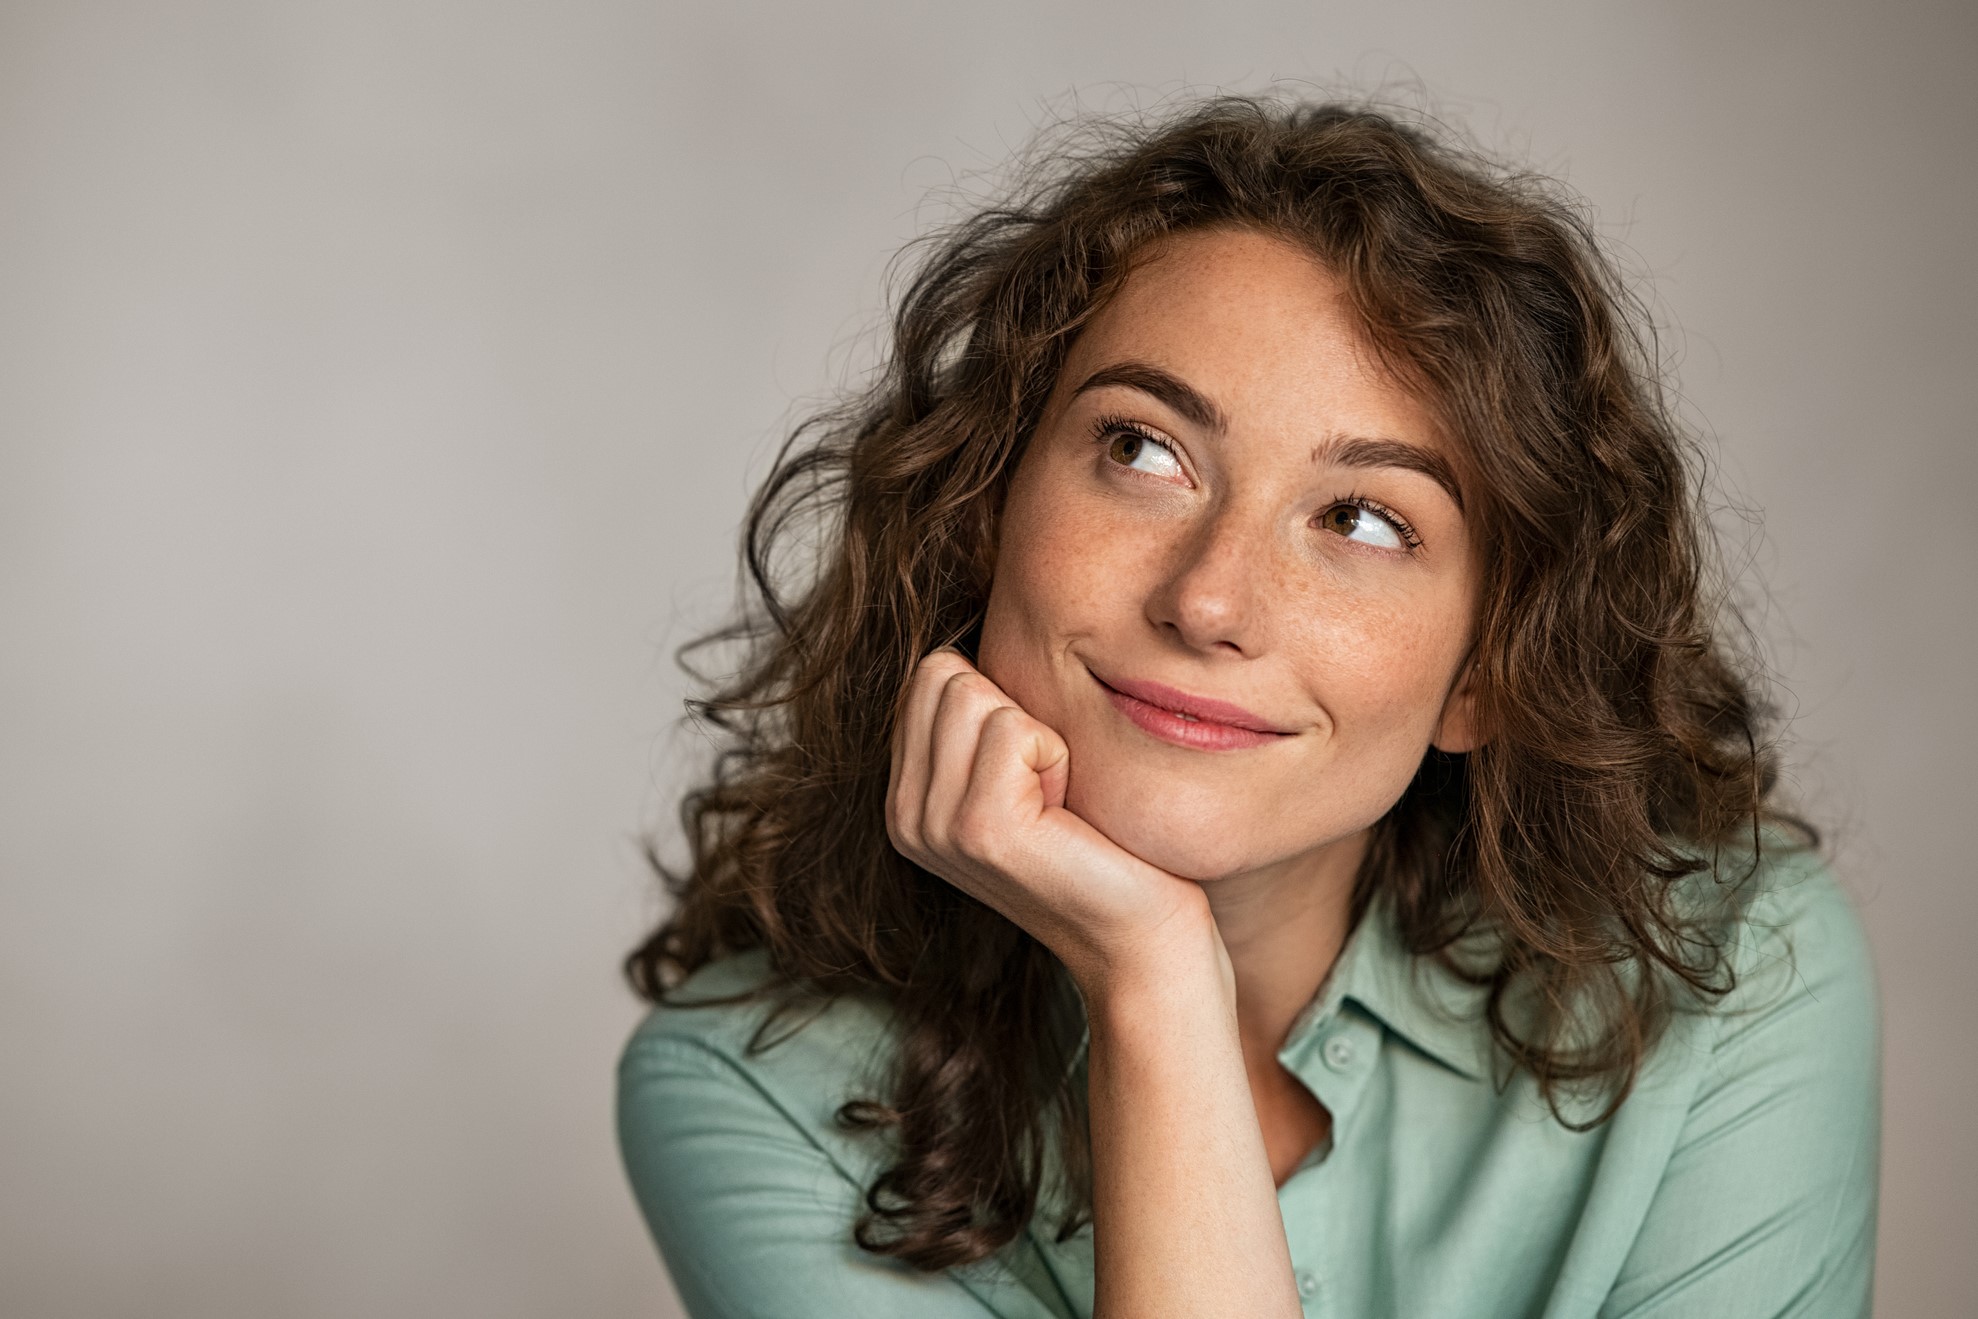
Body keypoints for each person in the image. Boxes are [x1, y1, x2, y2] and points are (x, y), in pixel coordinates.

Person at [615, 96, 1880, 1319]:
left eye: (1363, 519)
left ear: (1491, 670)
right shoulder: (749, 1084)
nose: (1211, 601)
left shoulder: (1739, 976)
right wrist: (1155, 978)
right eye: (1143, 450)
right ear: (979, 510)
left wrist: (1150, 976)